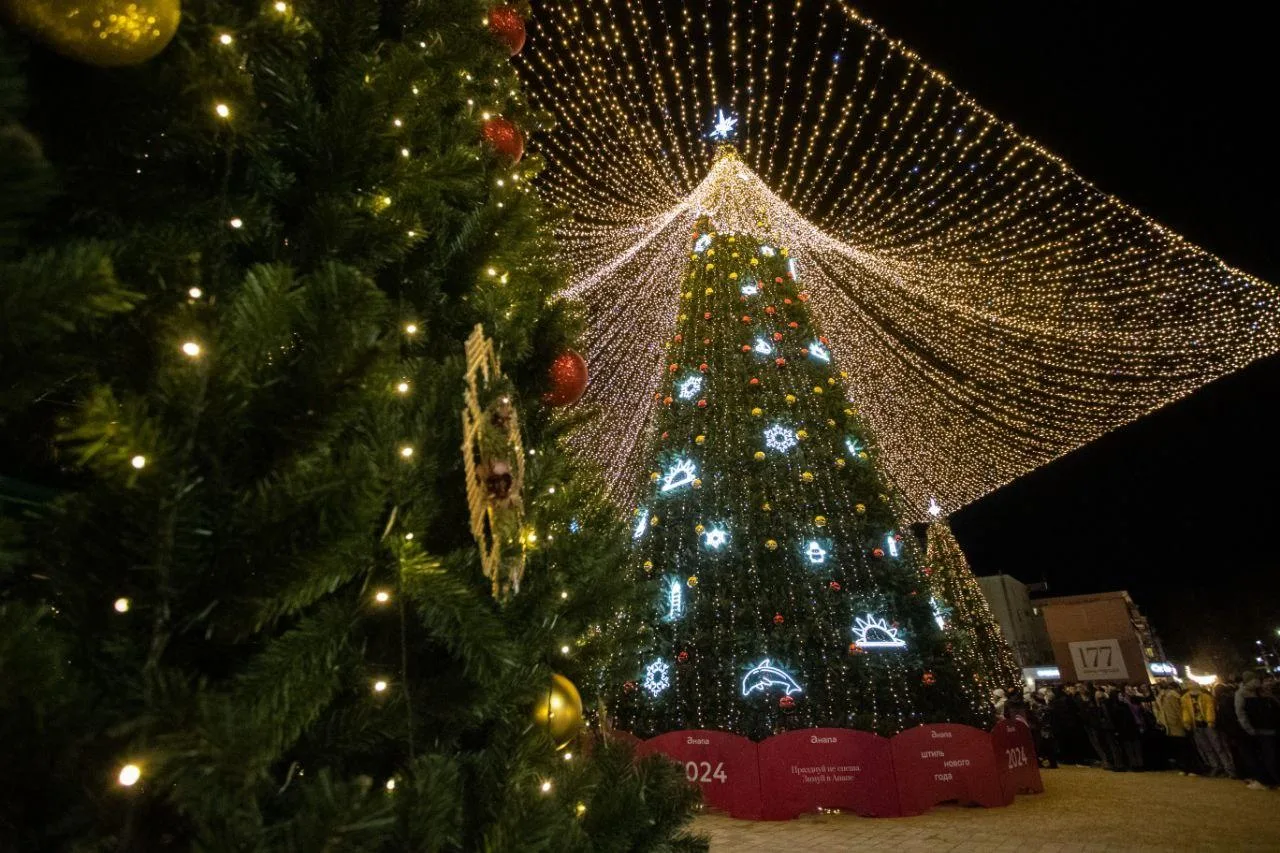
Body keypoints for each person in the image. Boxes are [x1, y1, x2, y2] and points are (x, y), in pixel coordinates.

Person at [1235, 671, 1279, 789]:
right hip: (1260, 730)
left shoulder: (1262, 691)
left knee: (1271, 756)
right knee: (1270, 757)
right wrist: (1249, 729)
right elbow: (1241, 713)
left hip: (1270, 728)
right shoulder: (1242, 694)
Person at [1184, 682, 1235, 778]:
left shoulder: (1205, 697)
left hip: (1207, 725)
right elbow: (1185, 711)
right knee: (1207, 748)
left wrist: (1210, 720)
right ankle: (1217, 766)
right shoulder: (1185, 698)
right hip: (1198, 725)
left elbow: (1209, 708)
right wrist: (1187, 721)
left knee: (1218, 747)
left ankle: (1228, 768)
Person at [1155, 682, 1192, 773]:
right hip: (1172, 724)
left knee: (1182, 746)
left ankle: (1187, 767)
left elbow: (1178, 710)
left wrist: (1184, 722)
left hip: (1175, 724)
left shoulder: (1170, 696)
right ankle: (1185, 767)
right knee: (1180, 746)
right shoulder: (1164, 697)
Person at [1109, 686, 1144, 770]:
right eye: (1119, 696)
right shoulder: (1116, 707)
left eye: (1121, 695)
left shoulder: (1126, 705)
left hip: (1131, 727)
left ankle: (1139, 764)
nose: (1121, 697)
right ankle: (1134, 764)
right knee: (1129, 747)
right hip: (1124, 729)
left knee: (1135, 746)